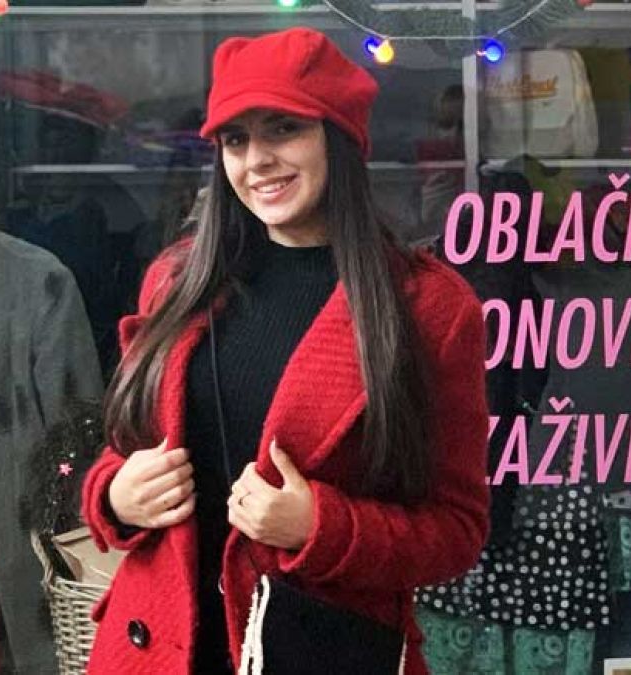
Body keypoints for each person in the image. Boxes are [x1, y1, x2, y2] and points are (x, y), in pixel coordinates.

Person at [80, 27, 491, 674]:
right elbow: (123, 450)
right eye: (235, 140)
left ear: (339, 137)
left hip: (324, 650)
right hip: (154, 649)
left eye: (283, 129)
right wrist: (113, 499)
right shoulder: (177, 282)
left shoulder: (427, 307)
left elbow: (456, 530)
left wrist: (322, 527)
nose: (257, 160)